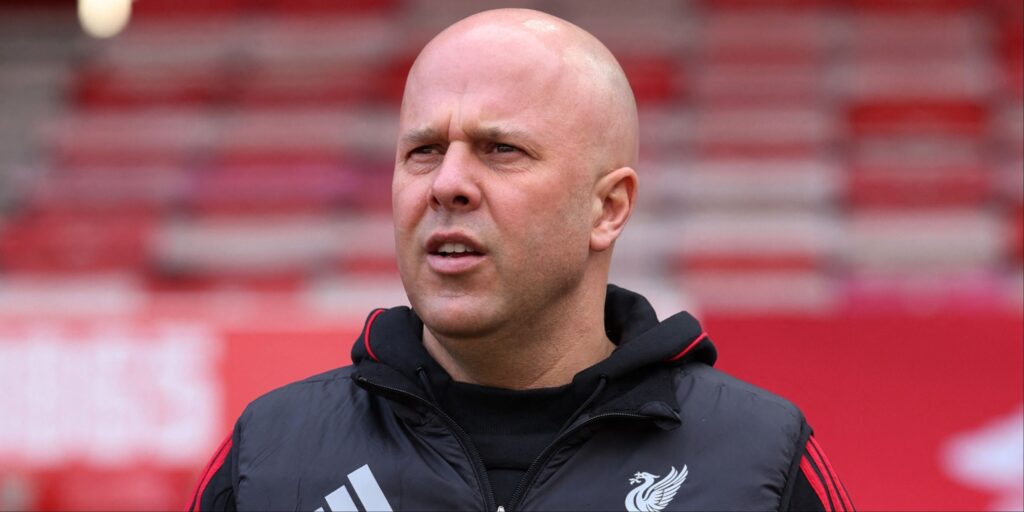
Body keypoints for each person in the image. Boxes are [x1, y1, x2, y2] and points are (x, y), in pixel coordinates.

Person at [188, 8, 854, 512]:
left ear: (608, 208)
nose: (446, 183)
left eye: (500, 149)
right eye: (423, 149)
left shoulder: (758, 458)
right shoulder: (272, 457)